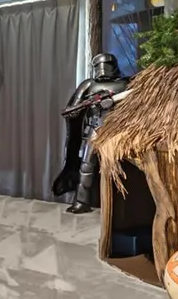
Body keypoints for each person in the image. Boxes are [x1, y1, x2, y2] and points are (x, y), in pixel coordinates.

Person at [52, 53, 129, 214]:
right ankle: (81, 202)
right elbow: (73, 108)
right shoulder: (89, 85)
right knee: (86, 167)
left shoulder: (125, 84)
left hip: (119, 131)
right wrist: (78, 110)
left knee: (123, 169)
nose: (103, 69)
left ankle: (121, 208)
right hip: (95, 128)